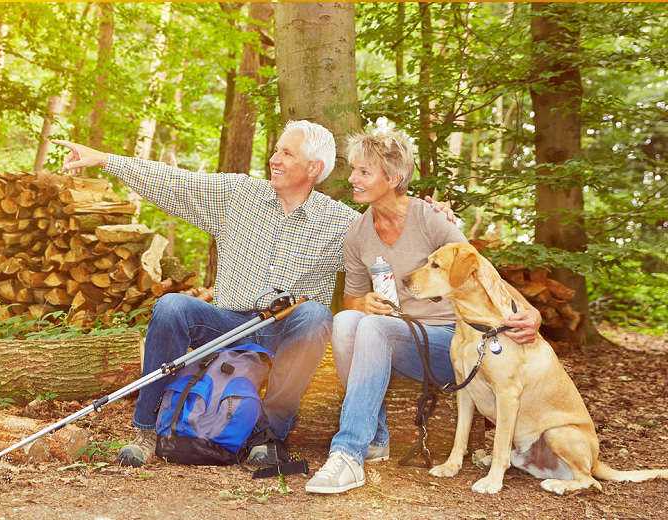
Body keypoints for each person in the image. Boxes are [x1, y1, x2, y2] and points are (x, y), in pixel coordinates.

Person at [55, 120, 358, 467]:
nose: (274, 159)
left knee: (316, 315)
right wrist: (106, 160)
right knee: (172, 306)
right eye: (276, 150)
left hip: (284, 331)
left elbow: (385, 243)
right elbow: (175, 182)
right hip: (227, 323)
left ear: (314, 168)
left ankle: (269, 437)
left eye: (287, 153)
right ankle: (147, 431)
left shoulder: (341, 222)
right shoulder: (239, 194)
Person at [304, 127, 542, 494]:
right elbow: (352, 299)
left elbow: (479, 269)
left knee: (373, 328)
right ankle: (375, 440)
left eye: (364, 171)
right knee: (348, 320)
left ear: (392, 178)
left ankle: (347, 454)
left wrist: (531, 311)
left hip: (454, 342)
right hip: (399, 339)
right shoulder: (357, 234)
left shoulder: (430, 218)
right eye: (353, 170)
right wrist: (362, 303)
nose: (352, 179)